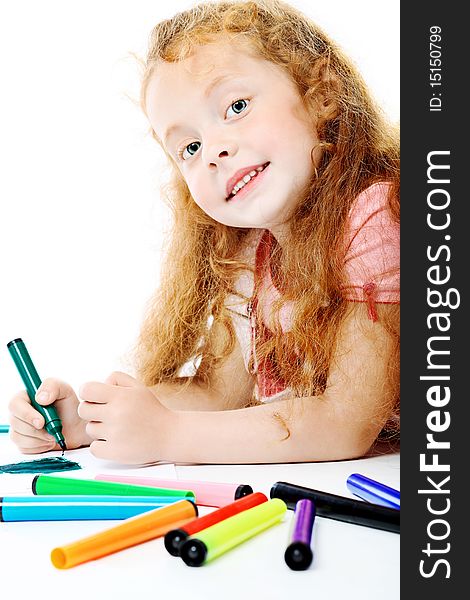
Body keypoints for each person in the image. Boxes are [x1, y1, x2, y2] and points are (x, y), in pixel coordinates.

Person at [8, 0, 400, 465]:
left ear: (321, 93)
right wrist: (87, 421)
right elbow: (218, 392)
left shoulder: (378, 214)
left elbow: (345, 423)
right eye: (189, 146)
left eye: (236, 106)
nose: (213, 150)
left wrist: (169, 436)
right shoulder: (252, 252)